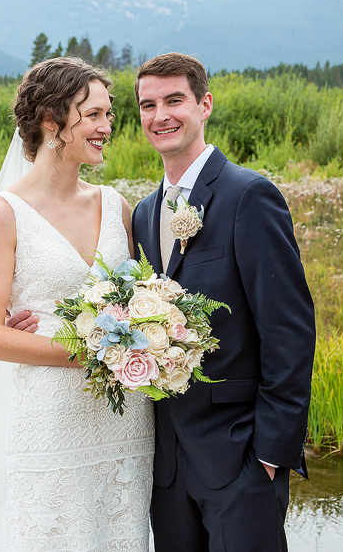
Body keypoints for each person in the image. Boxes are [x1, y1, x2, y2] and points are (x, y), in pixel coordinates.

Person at [0, 56, 154, 552]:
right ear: (50, 120)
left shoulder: (115, 204)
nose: (107, 128)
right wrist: (96, 352)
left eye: (109, 116)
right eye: (94, 115)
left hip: (124, 422)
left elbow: (144, 297)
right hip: (49, 424)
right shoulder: (3, 216)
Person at [133, 53, 315, 552]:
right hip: (167, 466)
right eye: (148, 105)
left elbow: (289, 330)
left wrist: (270, 454)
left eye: (175, 100)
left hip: (241, 459)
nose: (161, 115)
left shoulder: (248, 195)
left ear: (204, 104)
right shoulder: (145, 214)